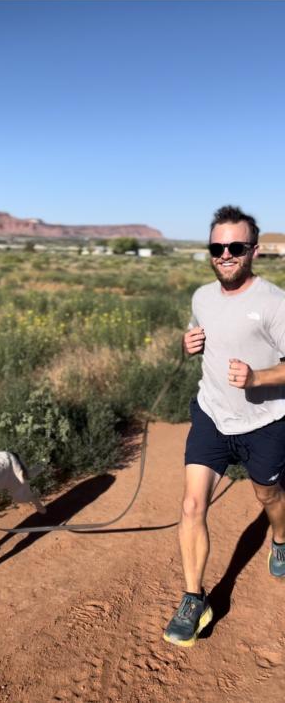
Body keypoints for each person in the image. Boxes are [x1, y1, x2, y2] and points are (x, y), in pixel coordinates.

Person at [163, 205, 285, 648]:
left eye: (235, 246)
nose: (226, 254)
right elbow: (202, 334)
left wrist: (258, 378)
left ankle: (281, 537)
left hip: (265, 422)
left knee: (268, 495)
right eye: (218, 247)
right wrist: (188, 343)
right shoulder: (201, 297)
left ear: (253, 250)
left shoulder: (274, 302)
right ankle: (195, 599)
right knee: (192, 506)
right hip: (212, 415)